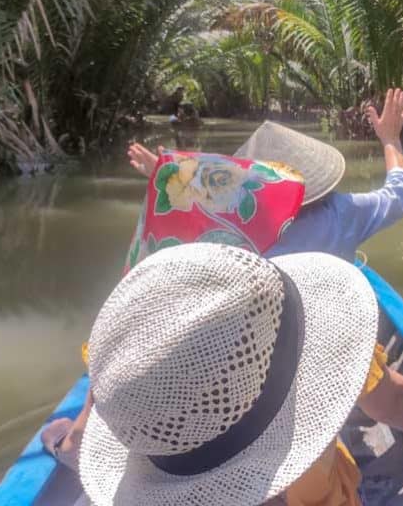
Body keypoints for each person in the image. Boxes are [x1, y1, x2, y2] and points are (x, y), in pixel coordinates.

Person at [74, 243, 403, 506]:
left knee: (64, 438)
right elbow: (395, 402)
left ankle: (61, 437)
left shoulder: (152, 406)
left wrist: (73, 439)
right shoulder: (258, 341)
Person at [41, 151, 306, 470]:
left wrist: (64, 444)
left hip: (183, 447)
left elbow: (85, 433)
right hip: (270, 454)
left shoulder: (140, 330)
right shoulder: (256, 306)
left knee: (76, 429)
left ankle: (66, 444)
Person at [128, 88, 403, 261]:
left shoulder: (232, 224)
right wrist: (390, 140)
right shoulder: (342, 213)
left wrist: (168, 176)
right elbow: (401, 194)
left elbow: (193, 207)